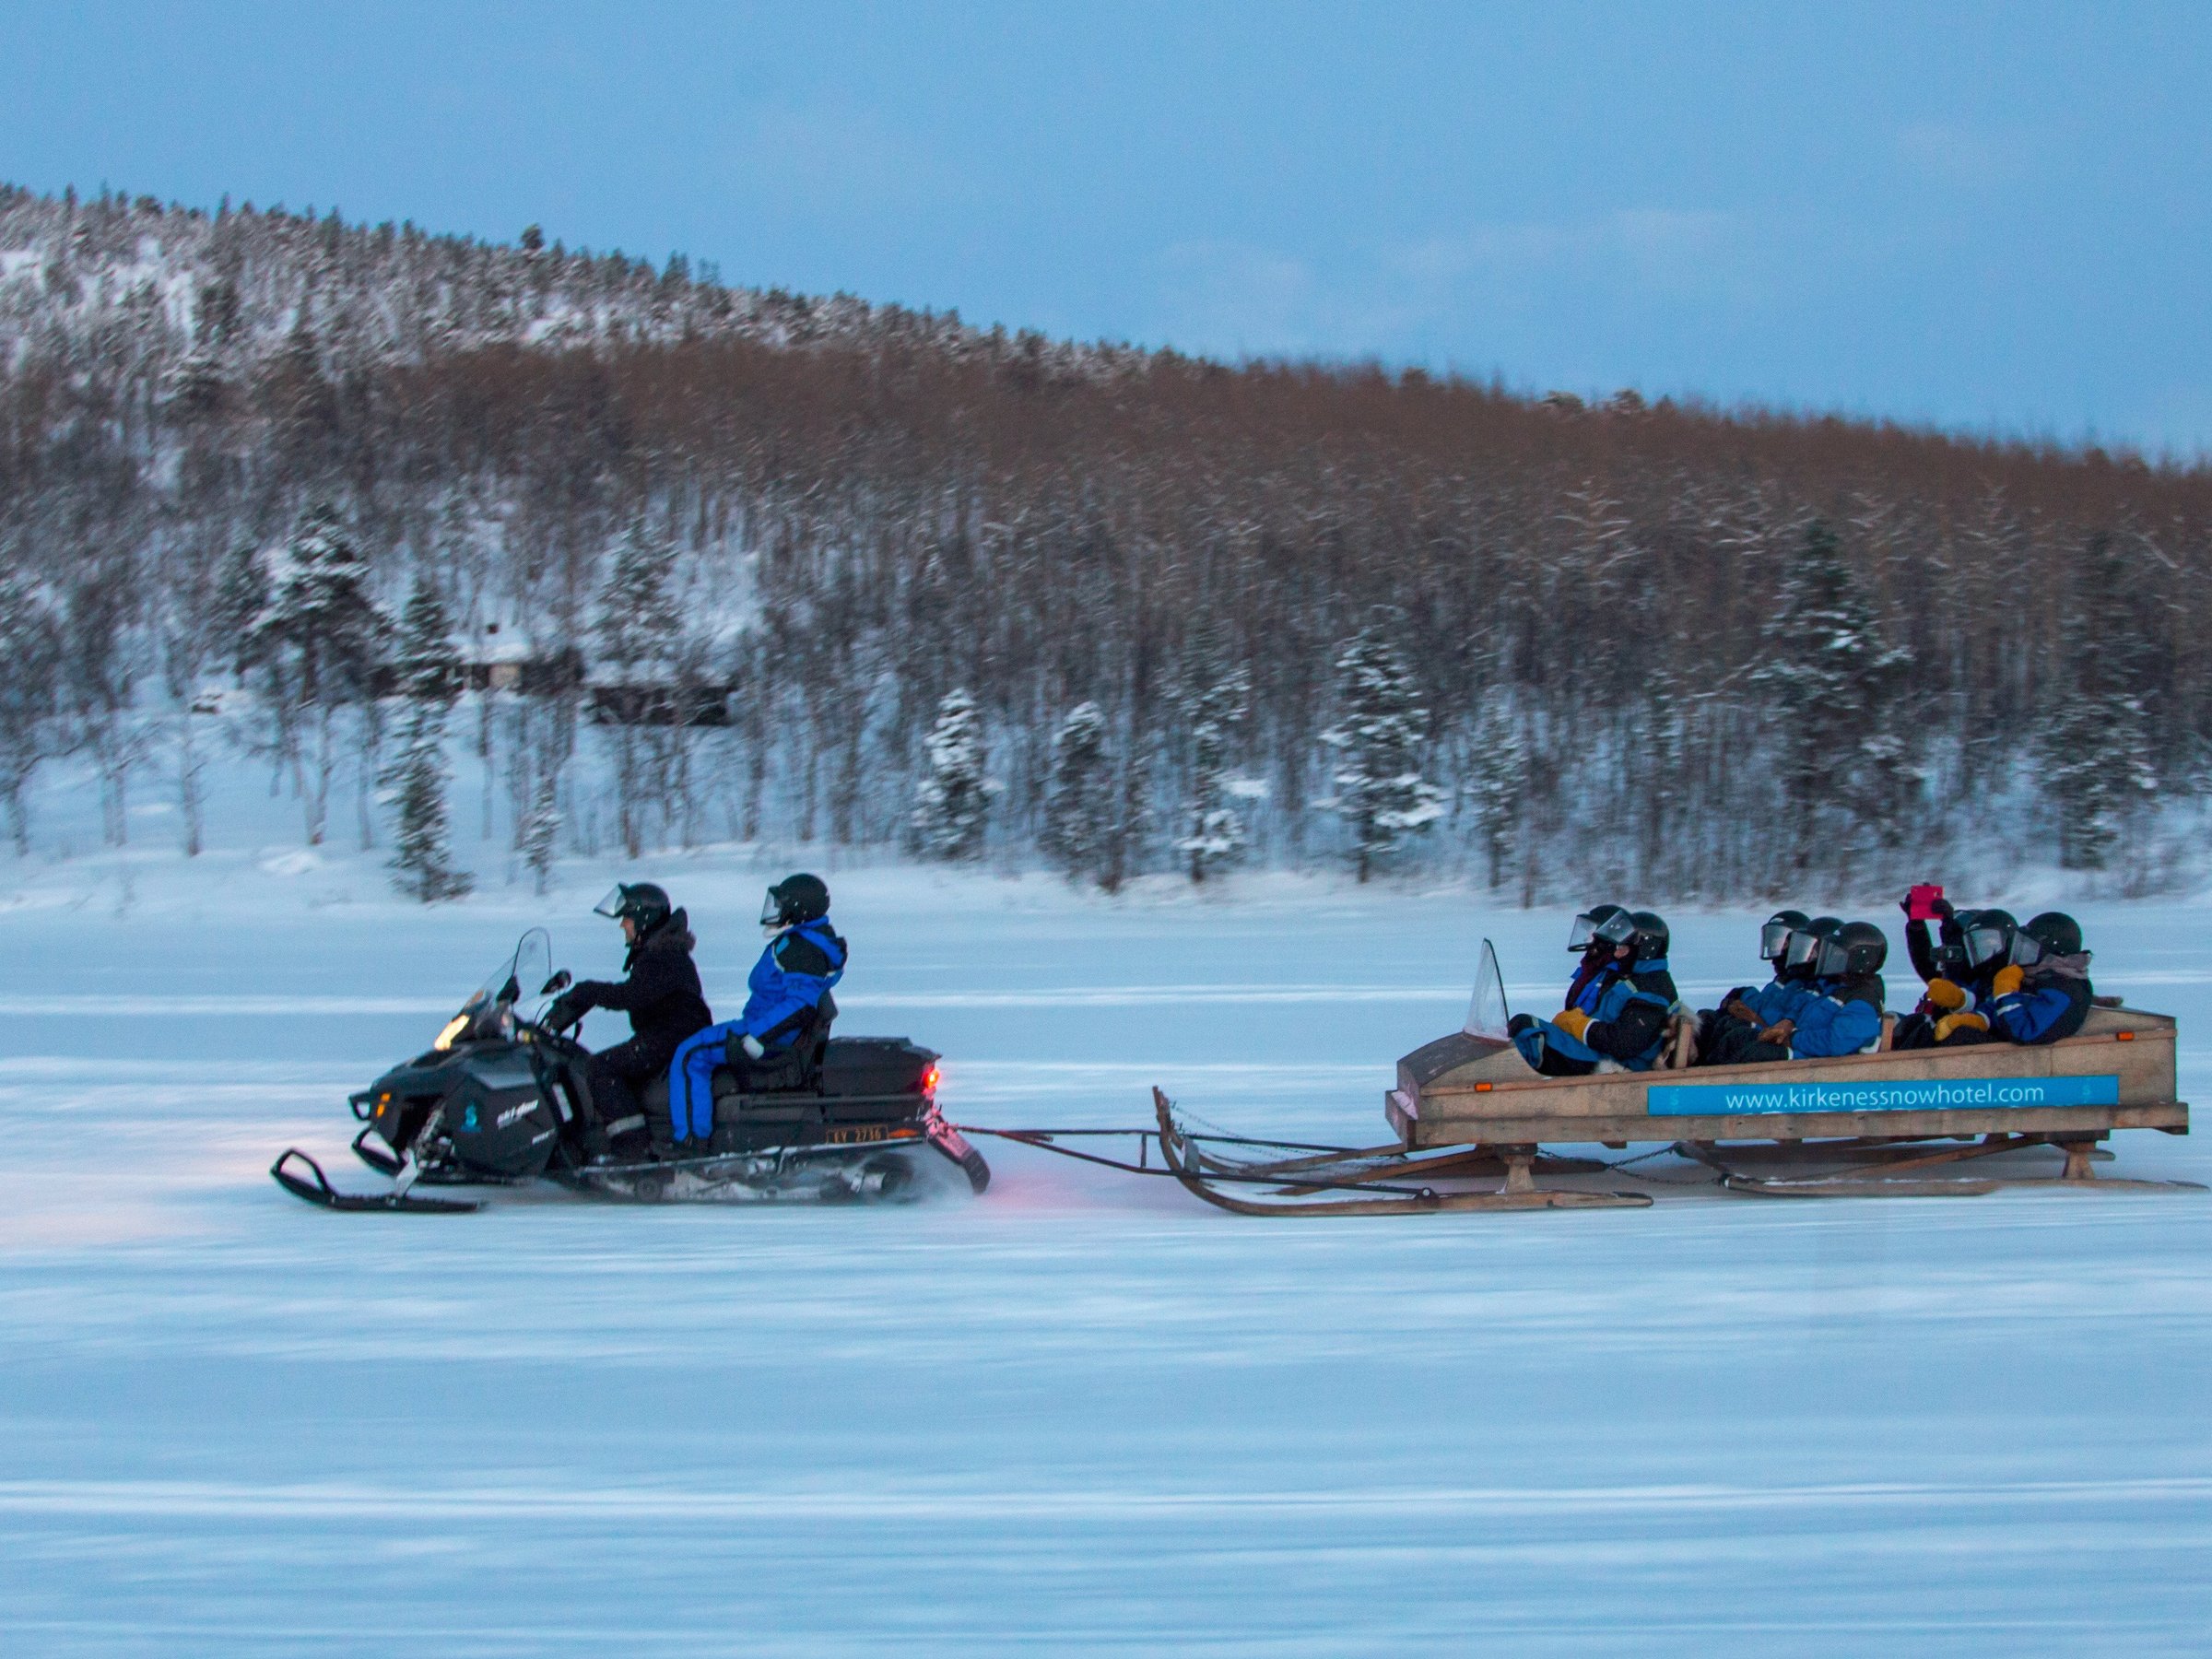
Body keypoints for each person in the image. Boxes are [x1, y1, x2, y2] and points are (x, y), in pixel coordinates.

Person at [665, 873, 849, 1149]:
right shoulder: (806, 940)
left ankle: (690, 1142)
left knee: (689, 1054)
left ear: (799, 909)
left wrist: (758, 1037)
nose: (773, 910)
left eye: (780, 904)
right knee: (698, 1042)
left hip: (771, 1034)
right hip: (766, 1025)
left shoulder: (802, 947)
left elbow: (799, 1004)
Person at [543, 883, 713, 1157]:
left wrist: (588, 992)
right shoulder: (661, 951)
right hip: (670, 1032)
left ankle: (632, 1145)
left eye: (627, 918)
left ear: (644, 919)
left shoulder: (663, 954)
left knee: (600, 1067)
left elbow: (631, 995)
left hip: (672, 1035)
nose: (623, 924)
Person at [1510, 909, 1677, 1076]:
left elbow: (1623, 1043)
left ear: (1647, 949)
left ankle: (1506, 1092)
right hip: (1598, 1051)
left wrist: (1579, 1025)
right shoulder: (1632, 979)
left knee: (1529, 1035)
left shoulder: (1653, 990)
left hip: (1620, 1064)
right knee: (1522, 1027)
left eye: (1623, 949)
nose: (1617, 954)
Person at [1891, 905, 2017, 1049]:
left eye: (1989, 944)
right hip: (1971, 1035)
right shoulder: (1975, 975)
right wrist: (1916, 927)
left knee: (1940, 1031)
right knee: (1909, 1023)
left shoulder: (2009, 975)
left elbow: (1992, 1008)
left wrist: (1962, 1006)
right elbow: (1927, 965)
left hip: (1988, 1044)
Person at [1697, 909, 1812, 1061]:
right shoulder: (1783, 980)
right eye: (1773, 941)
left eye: (1780, 943)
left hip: (1774, 1038)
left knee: (1734, 1030)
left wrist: (1751, 1017)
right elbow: (1764, 1002)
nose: (1775, 948)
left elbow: (1774, 1015)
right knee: (1708, 1018)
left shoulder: (1801, 985)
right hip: (1763, 1028)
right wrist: (1744, 994)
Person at [1984, 911, 2095, 1044]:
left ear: (2052, 953)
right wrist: (1977, 1016)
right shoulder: (2037, 979)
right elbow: (1998, 1012)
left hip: (2028, 1056)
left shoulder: (2063, 992)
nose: (2022, 956)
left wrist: (2006, 993)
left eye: (2029, 950)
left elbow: (2023, 1032)